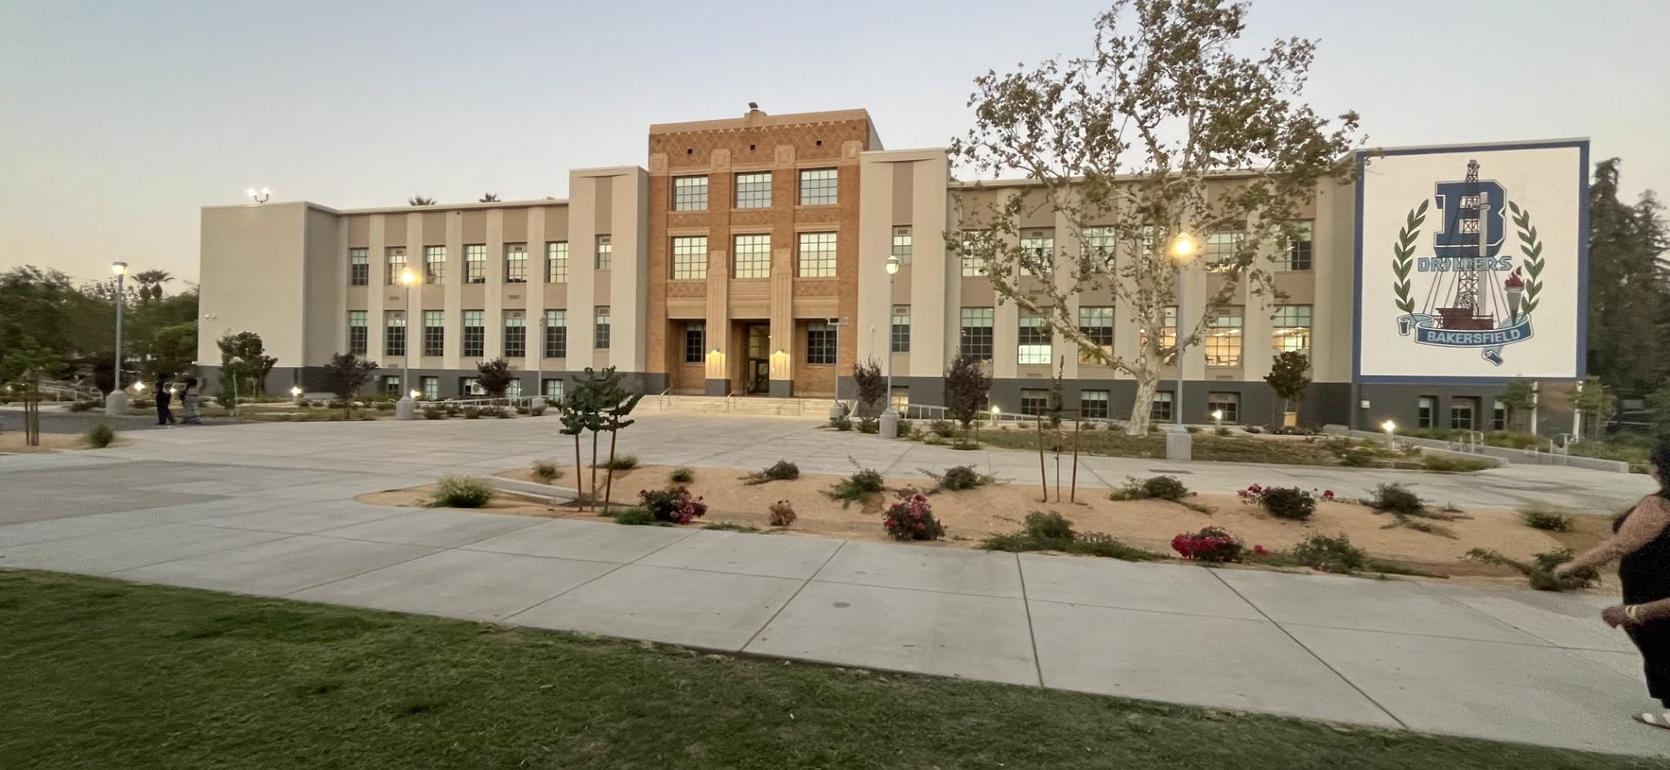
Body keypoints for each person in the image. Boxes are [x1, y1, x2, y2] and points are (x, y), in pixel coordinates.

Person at [1557, 439, 1670, 729]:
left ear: (1660, 467)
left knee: (1661, 645)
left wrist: (1572, 566)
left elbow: (1618, 546)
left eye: (1653, 462)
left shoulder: (1659, 506)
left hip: (1655, 593)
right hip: (1650, 592)